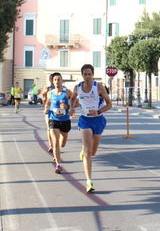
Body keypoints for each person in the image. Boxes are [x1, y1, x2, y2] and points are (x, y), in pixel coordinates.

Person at [72, 64, 112, 193]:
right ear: (82, 75)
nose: (87, 76)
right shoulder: (77, 87)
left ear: (93, 75)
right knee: (88, 152)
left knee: (93, 152)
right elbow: (73, 98)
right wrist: (71, 108)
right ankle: (89, 181)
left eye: (90, 74)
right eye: (85, 74)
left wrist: (99, 111)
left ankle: (84, 150)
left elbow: (109, 104)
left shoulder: (99, 87)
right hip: (84, 120)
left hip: (98, 120)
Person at [44, 72, 73, 174]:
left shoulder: (67, 92)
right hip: (53, 119)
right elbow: (47, 103)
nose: (57, 81)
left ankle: (58, 154)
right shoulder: (50, 93)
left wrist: (67, 107)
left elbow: (75, 102)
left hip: (65, 120)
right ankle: (58, 164)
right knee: (55, 142)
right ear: (53, 81)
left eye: (59, 79)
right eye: (55, 80)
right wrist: (46, 109)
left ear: (62, 81)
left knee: (63, 143)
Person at [43, 74, 55, 153]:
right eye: (50, 79)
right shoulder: (47, 89)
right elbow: (44, 99)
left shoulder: (60, 88)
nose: (51, 80)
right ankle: (51, 145)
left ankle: (55, 143)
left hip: (57, 111)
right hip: (48, 110)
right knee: (49, 128)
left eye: (52, 78)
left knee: (57, 129)